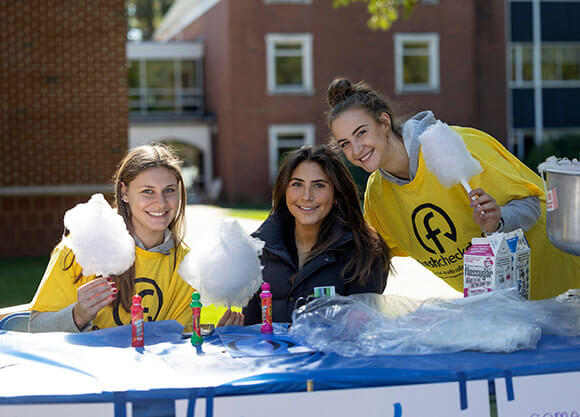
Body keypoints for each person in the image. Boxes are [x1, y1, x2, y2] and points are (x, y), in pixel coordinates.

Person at [326, 77, 580, 300]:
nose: (356, 150)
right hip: (503, 312)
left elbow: (533, 201)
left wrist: (500, 220)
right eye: (345, 144)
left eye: (361, 133)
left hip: (563, 291)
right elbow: (374, 259)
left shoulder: (460, 144)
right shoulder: (377, 196)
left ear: (383, 122)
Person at [29, 143, 243, 332]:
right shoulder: (80, 248)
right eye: (147, 191)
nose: (160, 202)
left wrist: (214, 336)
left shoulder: (187, 265)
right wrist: (78, 314)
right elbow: (35, 326)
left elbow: (178, 343)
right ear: (124, 193)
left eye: (169, 190)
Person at [243, 145, 391, 325]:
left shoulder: (365, 252)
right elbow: (250, 330)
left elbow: (362, 336)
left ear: (336, 193)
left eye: (319, 185)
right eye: (297, 184)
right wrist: (230, 331)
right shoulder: (257, 250)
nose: (307, 196)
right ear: (284, 191)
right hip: (272, 353)